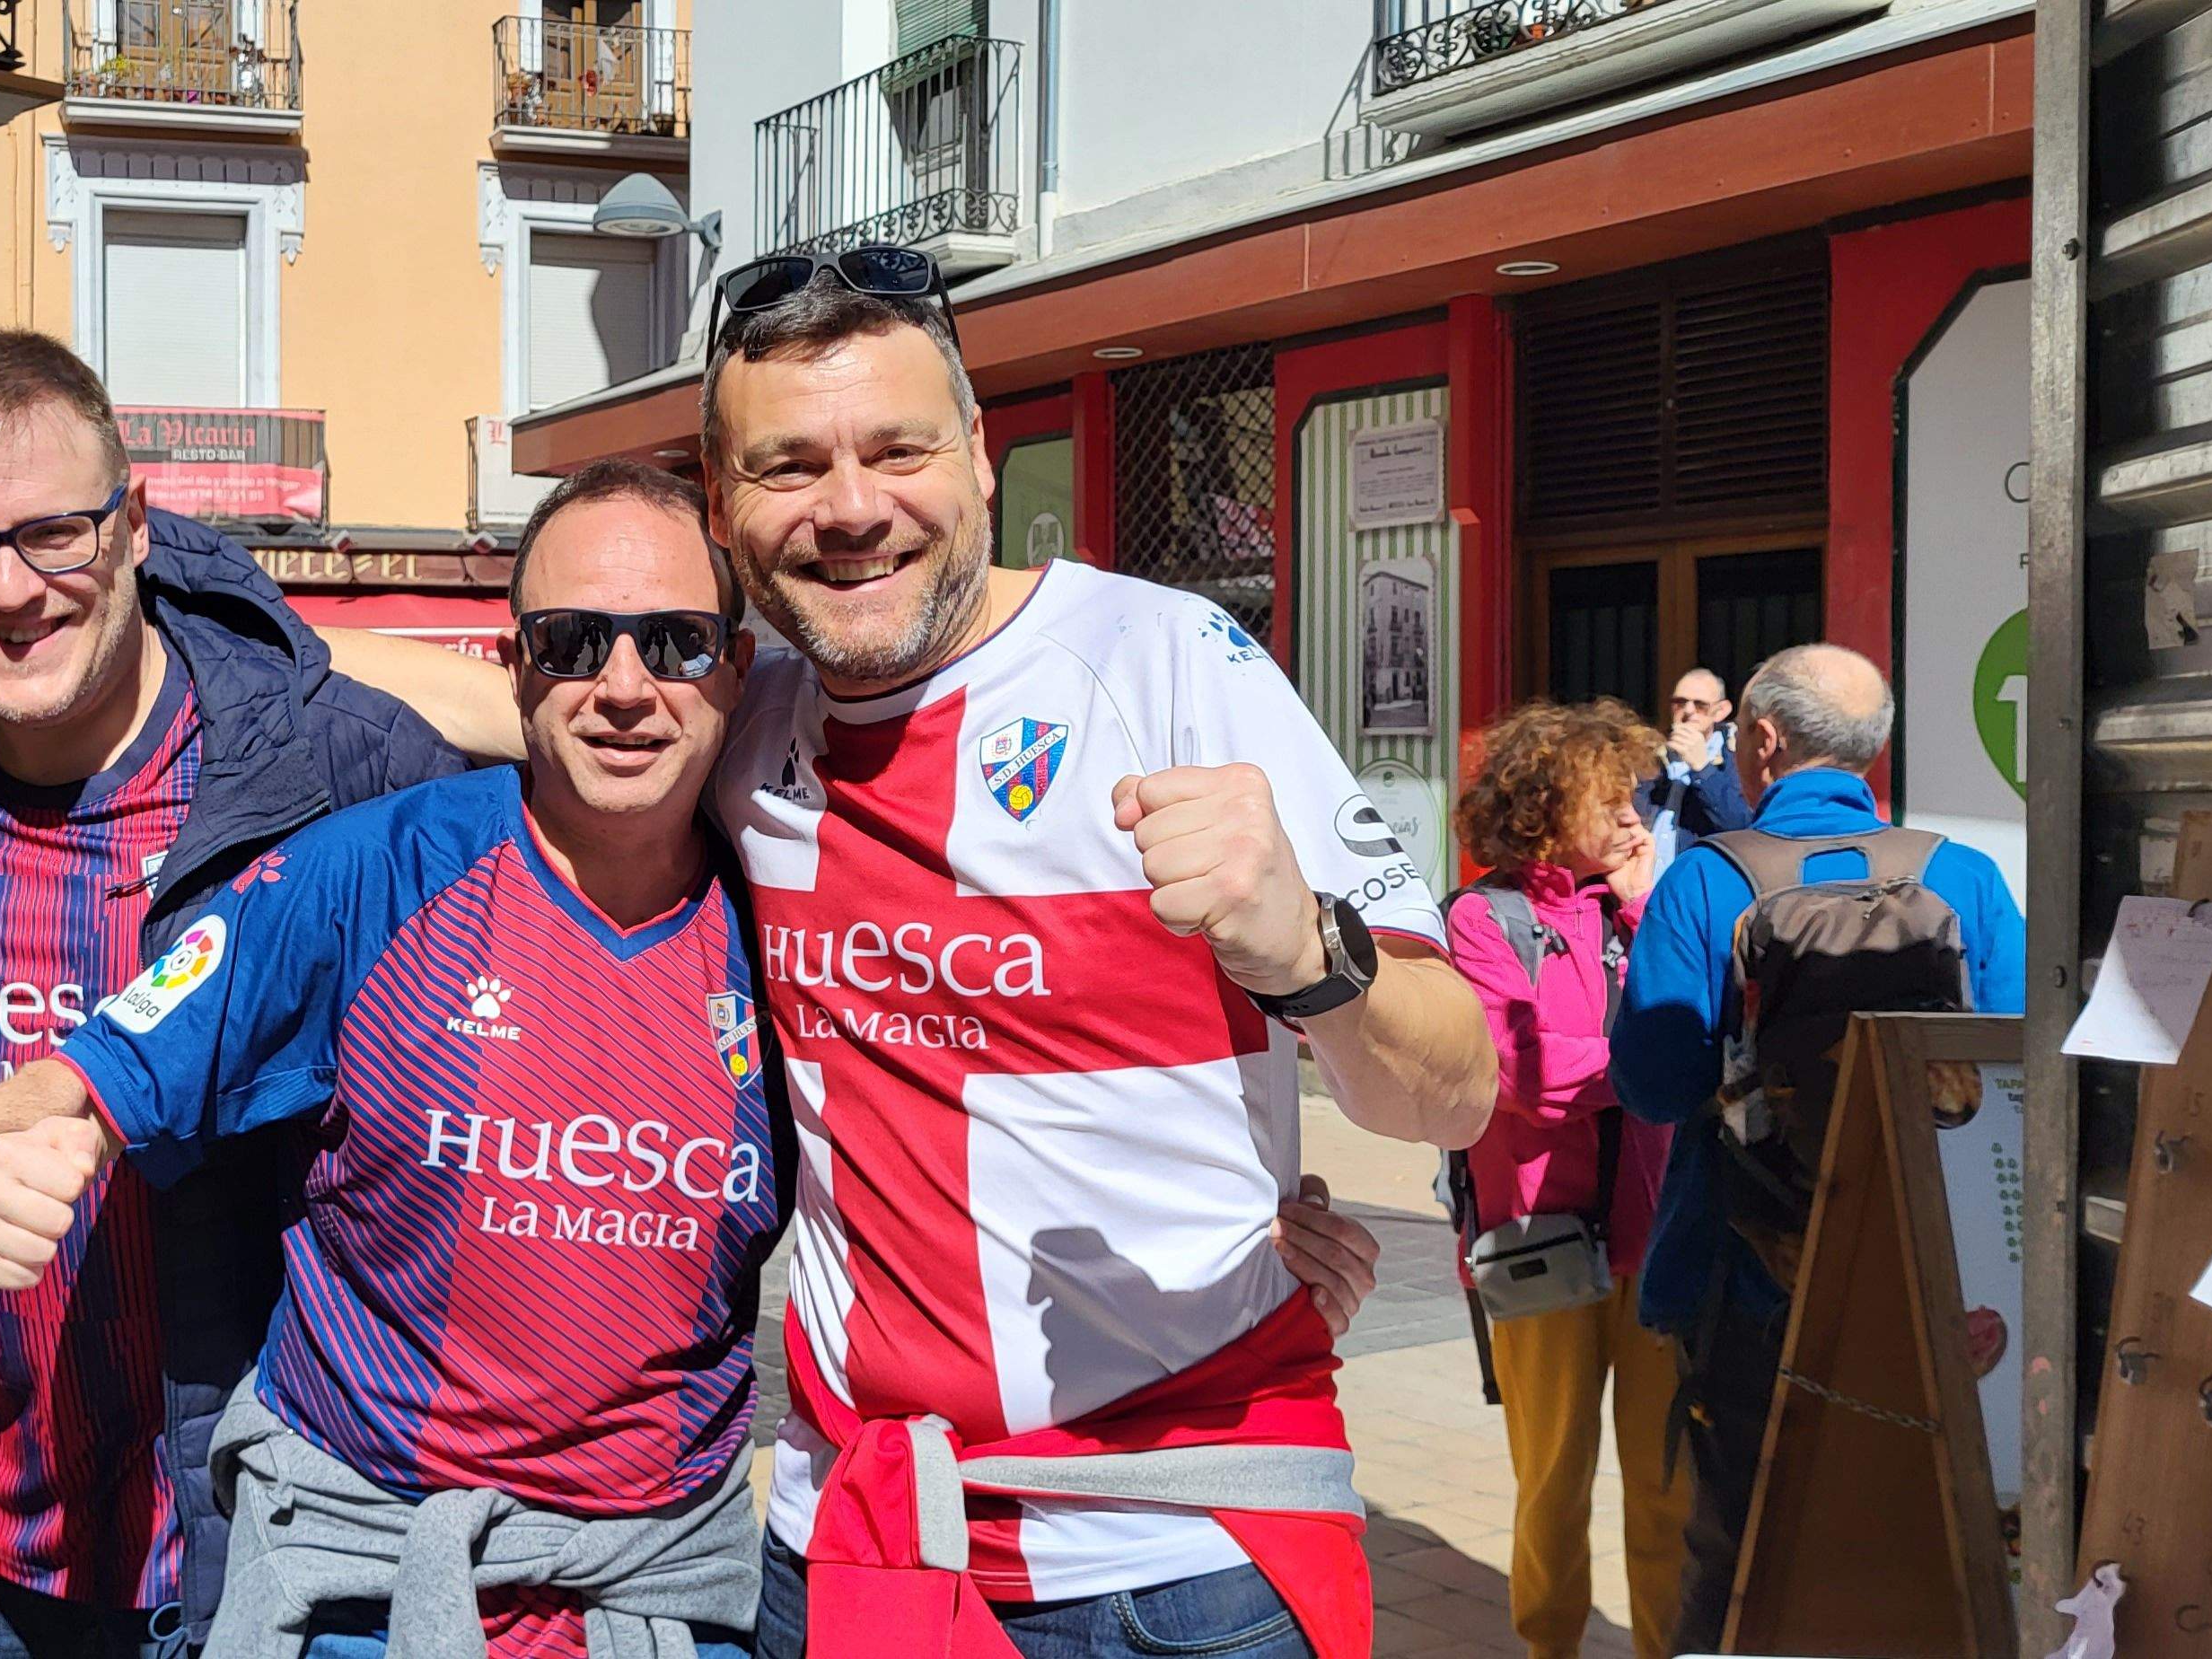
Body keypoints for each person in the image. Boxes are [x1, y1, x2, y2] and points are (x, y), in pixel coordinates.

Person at [330, 244, 1497, 1659]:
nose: (851, 509)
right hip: (848, 1545)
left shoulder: (1170, 661)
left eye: (898, 449)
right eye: (788, 465)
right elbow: (499, 693)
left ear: (982, 460)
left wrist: (1309, 951)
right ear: (723, 500)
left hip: (1182, 1554)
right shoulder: (744, 727)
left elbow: (1451, 1093)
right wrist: (159, 605)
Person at [0, 461, 781, 1658]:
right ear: (518, 665)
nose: (625, 687)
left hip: (664, 1605)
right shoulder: (366, 878)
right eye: (575, 640)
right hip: (366, 1598)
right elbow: (74, 1081)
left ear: (737, 672)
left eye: (678, 642)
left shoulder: (786, 925)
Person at [0, 329, 461, 1657]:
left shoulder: (333, 773)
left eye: (54, 533)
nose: (10, 590)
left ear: (132, 526)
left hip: (255, 1546)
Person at [1611, 642, 2022, 1655]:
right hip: (1938, 1270)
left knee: (1741, 1541)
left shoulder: (1706, 882)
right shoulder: (1961, 875)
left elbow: (1655, 1087)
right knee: (1930, 1526)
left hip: (1750, 1267)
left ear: (1760, 740)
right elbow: (2013, 1073)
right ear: (1875, 751)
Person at [1442, 700, 1688, 1659]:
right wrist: (1643, 1060)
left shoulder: (1642, 908)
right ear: (1545, 809)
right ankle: (1551, 1647)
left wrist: (1635, 909)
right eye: (1612, 800)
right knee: (1551, 1481)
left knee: (1670, 1478)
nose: (1636, 819)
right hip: (1539, 1239)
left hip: (1656, 1231)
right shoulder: (1482, 919)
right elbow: (1523, 1079)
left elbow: (1687, 1022)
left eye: (1635, 798)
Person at [1634, 669, 1750, 864]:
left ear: (1721, 711)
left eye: (1700, 705)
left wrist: (1703, 769)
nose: (1688, 711)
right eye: (1679, 703)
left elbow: (1741, 826)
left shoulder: (1737, 759)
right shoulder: (1650, 758)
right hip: (1646, 886)